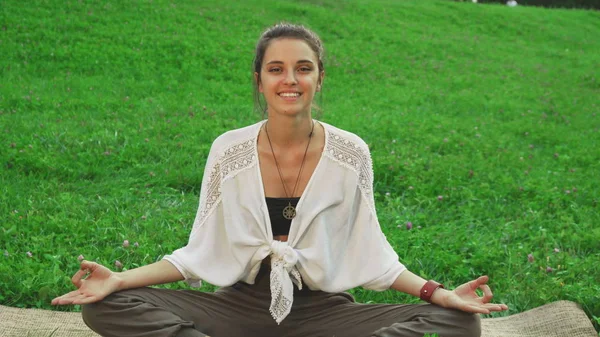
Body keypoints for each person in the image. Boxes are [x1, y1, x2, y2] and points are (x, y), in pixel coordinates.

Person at [52, 22, 509, 337]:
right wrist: (120, 279)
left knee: (460, 325)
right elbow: (200, 254)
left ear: (319, 78)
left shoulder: (351, 153)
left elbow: (372, 255)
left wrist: (439, 294)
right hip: (237, 305)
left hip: (321, 310)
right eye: (276, 69)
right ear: (259, 80)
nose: (290, 80)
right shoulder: (228, 150)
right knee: (104, 306)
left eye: (303, 68)